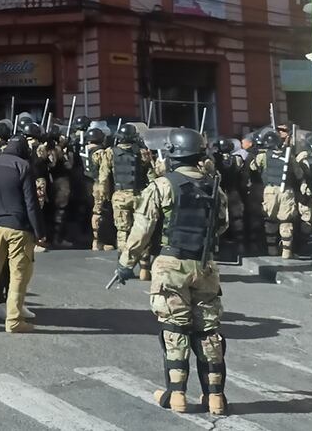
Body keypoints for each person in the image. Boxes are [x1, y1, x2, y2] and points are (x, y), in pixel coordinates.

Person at [113, 128, 229, 416]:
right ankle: (215, 398)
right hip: (205, 266)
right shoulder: (215, 186)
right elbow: (222, 225)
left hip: (171, 266)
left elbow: (141, 231)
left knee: (175, 331)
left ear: (172, 155)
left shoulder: (162, 186)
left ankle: (177, 395)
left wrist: (126, 264)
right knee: (208, 332)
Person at [0, 136, 46, 333]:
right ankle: (14, 320)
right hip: (19, 228)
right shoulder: (23, 166)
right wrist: (39, 232)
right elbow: (31, 203)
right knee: (18, 275)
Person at [110, 124, 151, 274]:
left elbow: (104, 177)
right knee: (142, 230)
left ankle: (124, 266)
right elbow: (151, 173)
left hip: (120, 195)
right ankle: (145, 268)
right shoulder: (142, 152)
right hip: (140, 195)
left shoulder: (110, 153)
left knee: (123, 231)